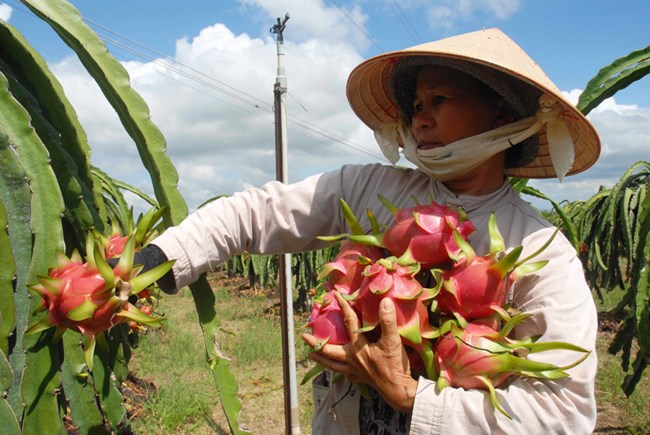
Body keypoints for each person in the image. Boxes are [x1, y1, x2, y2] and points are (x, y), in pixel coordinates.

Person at [137, 28, 600, 433]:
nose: (419, 119)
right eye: (417, 105)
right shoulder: (371, 188)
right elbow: (259, 211)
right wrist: (163, 256)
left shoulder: (543, 251)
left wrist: (412, 398)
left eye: (439, 100)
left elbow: (564, 414)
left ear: (500, 114)